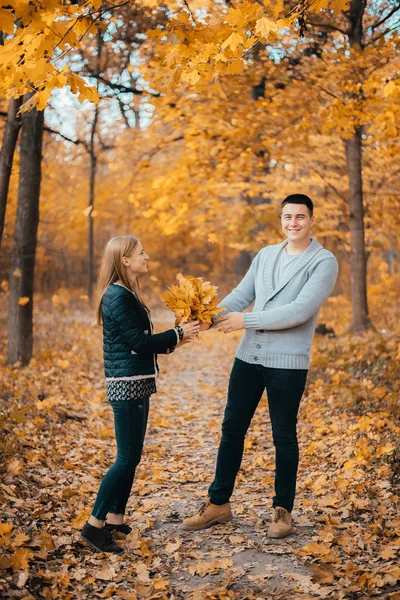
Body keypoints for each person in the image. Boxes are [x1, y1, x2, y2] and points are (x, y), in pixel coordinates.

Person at [182, 194, 338, 538]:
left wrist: (246, 320)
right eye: (287, 216)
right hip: (249, 357)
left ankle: (283, 510)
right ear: (280, 220)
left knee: (283, 435)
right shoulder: (266, 256)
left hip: (288, 362)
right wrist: (206, 316)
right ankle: (218, 504)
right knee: (231, 429)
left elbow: (299, 310)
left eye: (300, 217)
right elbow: (240, 295)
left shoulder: (324, 262)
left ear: (311, 221)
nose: (293, 223)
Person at [80, 235, 200, 554]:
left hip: (137, 381)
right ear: (125, 260)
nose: (147, 256)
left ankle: (116, 519)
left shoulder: (128, 292)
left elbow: (143, 341)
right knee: (125, 458)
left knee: (132, 456)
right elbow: (138, 342)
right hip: (126, 384)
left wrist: (176, 341)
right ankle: (94, 526)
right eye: (141, 252)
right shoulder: (117, 296)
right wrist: (175, 333)